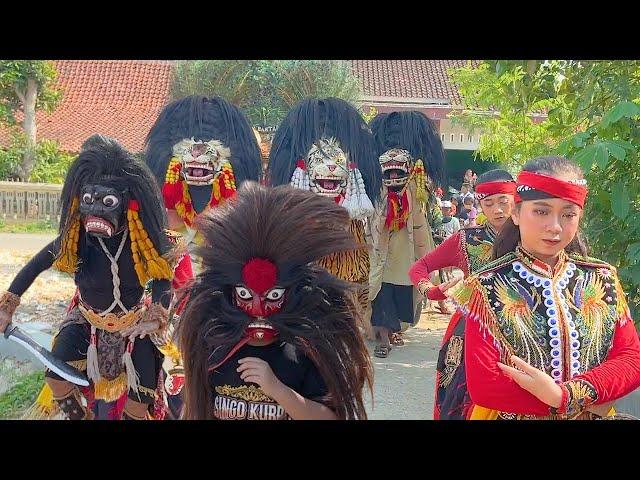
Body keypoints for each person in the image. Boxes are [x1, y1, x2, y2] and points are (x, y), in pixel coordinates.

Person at [0, 135, 179, 420]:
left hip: (134, 325)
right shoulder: (76, 239)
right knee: (56, 378)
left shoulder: (142, 241)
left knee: (139, 402)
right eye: (88, 200)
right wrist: (6, 307)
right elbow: (35, 265)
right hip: (87, 321)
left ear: (128, 204)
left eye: (106, 201)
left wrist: (157, 314)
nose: (95, 209)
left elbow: (162, 278)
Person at [449, 156, 640, 419]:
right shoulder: (486, 286)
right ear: (516, 213)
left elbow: (631, 358)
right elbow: (485, 385)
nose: (555, 227)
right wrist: (560, 403)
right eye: (541, 211)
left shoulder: (602, 279)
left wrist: (565, 396)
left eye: (568, 214)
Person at [177, 182, 373, 419]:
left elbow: (330, 417)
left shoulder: (303, 352)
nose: (259, 309)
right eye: (246, 296)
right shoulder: (216, 349)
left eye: (272, 297)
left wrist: (278, 390)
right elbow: (196, 409)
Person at [267, 98, 382, 340]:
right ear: (303, 168)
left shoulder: (353, 226)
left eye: (338, 163)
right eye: (320, 162)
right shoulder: (290, 226)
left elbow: (359, 278)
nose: (330, 169)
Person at [408, 169, 516, 419]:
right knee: (461, 399)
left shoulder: (532, 238)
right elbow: (419, 268)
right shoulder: (466, 240)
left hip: (521, 330)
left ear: (516, 200)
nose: (497, 209)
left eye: (504, 201)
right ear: (480, 204)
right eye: (489, 203)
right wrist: (433, 292)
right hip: (472, 331)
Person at [368, 110, 445, 358]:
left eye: (396, 172)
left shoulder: (416, 187)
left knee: (402, 293)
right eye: (387, 173)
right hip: (379, 247)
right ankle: (382, 336)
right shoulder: (376, 190)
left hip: (406, 250)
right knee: (379, 291)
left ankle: (391, 331)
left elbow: (422, 215)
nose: (392, 177)